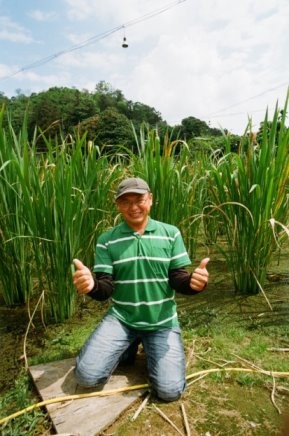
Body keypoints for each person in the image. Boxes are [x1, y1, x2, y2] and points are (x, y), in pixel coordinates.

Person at [73, 177, 209, 402]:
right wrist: (91, 286)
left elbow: (178, 278)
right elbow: (105, 287)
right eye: (125, 201)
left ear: (151, 200)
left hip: (161, 322)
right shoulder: (107, 239)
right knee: (86, 378)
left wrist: (195, 284)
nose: (133, 207)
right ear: (117, 205)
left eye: (139, 200)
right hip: (122, 319)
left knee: (169, 392)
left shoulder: (171, 233)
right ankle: (130, 344)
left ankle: (143, 345)